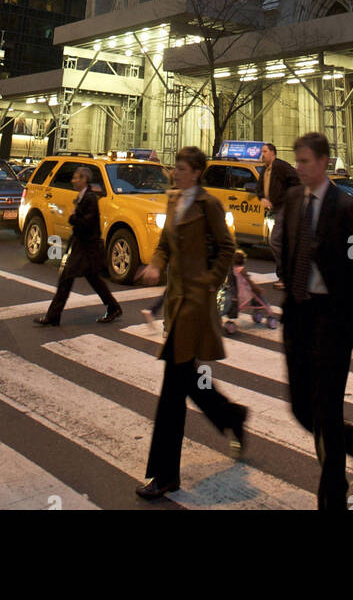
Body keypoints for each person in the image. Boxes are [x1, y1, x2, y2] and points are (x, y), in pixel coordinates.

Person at [276, 131, 353, 510]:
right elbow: (286, 249)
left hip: (332, 320)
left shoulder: (346, 208)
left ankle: (331, 502)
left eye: (304, 162)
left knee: (327, 412)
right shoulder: (291, 199)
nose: (299, 168)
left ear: (322, 162)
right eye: (297, 161)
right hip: (298, 314)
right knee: (302, 409)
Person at [134, 146, 245, 499]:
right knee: (188, 380)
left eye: (181, 169)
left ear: (196, 172)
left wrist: (210, 281)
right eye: (175, 168)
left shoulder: (208, 205)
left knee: (171, 394)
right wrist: (155, 264)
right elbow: (166, 244)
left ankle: (166, 476)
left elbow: (227, 248)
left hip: (194, 306)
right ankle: (231, 416)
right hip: (175, 302)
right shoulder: (172, 201)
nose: (175, 174)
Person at [34, 166, 122, 327]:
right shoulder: (83, 196)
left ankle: (53, 316)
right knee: (92, 279)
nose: (73, 180)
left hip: (86, 248)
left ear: (84, 180)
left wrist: (72, 218)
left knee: (66, 279)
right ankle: (113, 307)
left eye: (76, 178)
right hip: (83, 246)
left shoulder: (90, 198)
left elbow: (86, 223)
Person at [256, 142, 300, 215]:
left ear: (272, 153)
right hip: (270, 210)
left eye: (265, 151)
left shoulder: (280, 166)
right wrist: (262, 198)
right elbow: (259, 187)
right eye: (262, 152)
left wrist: (285, 200)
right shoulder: (265, 169)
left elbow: (296, 180)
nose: (262, 154)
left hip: (281, 210)